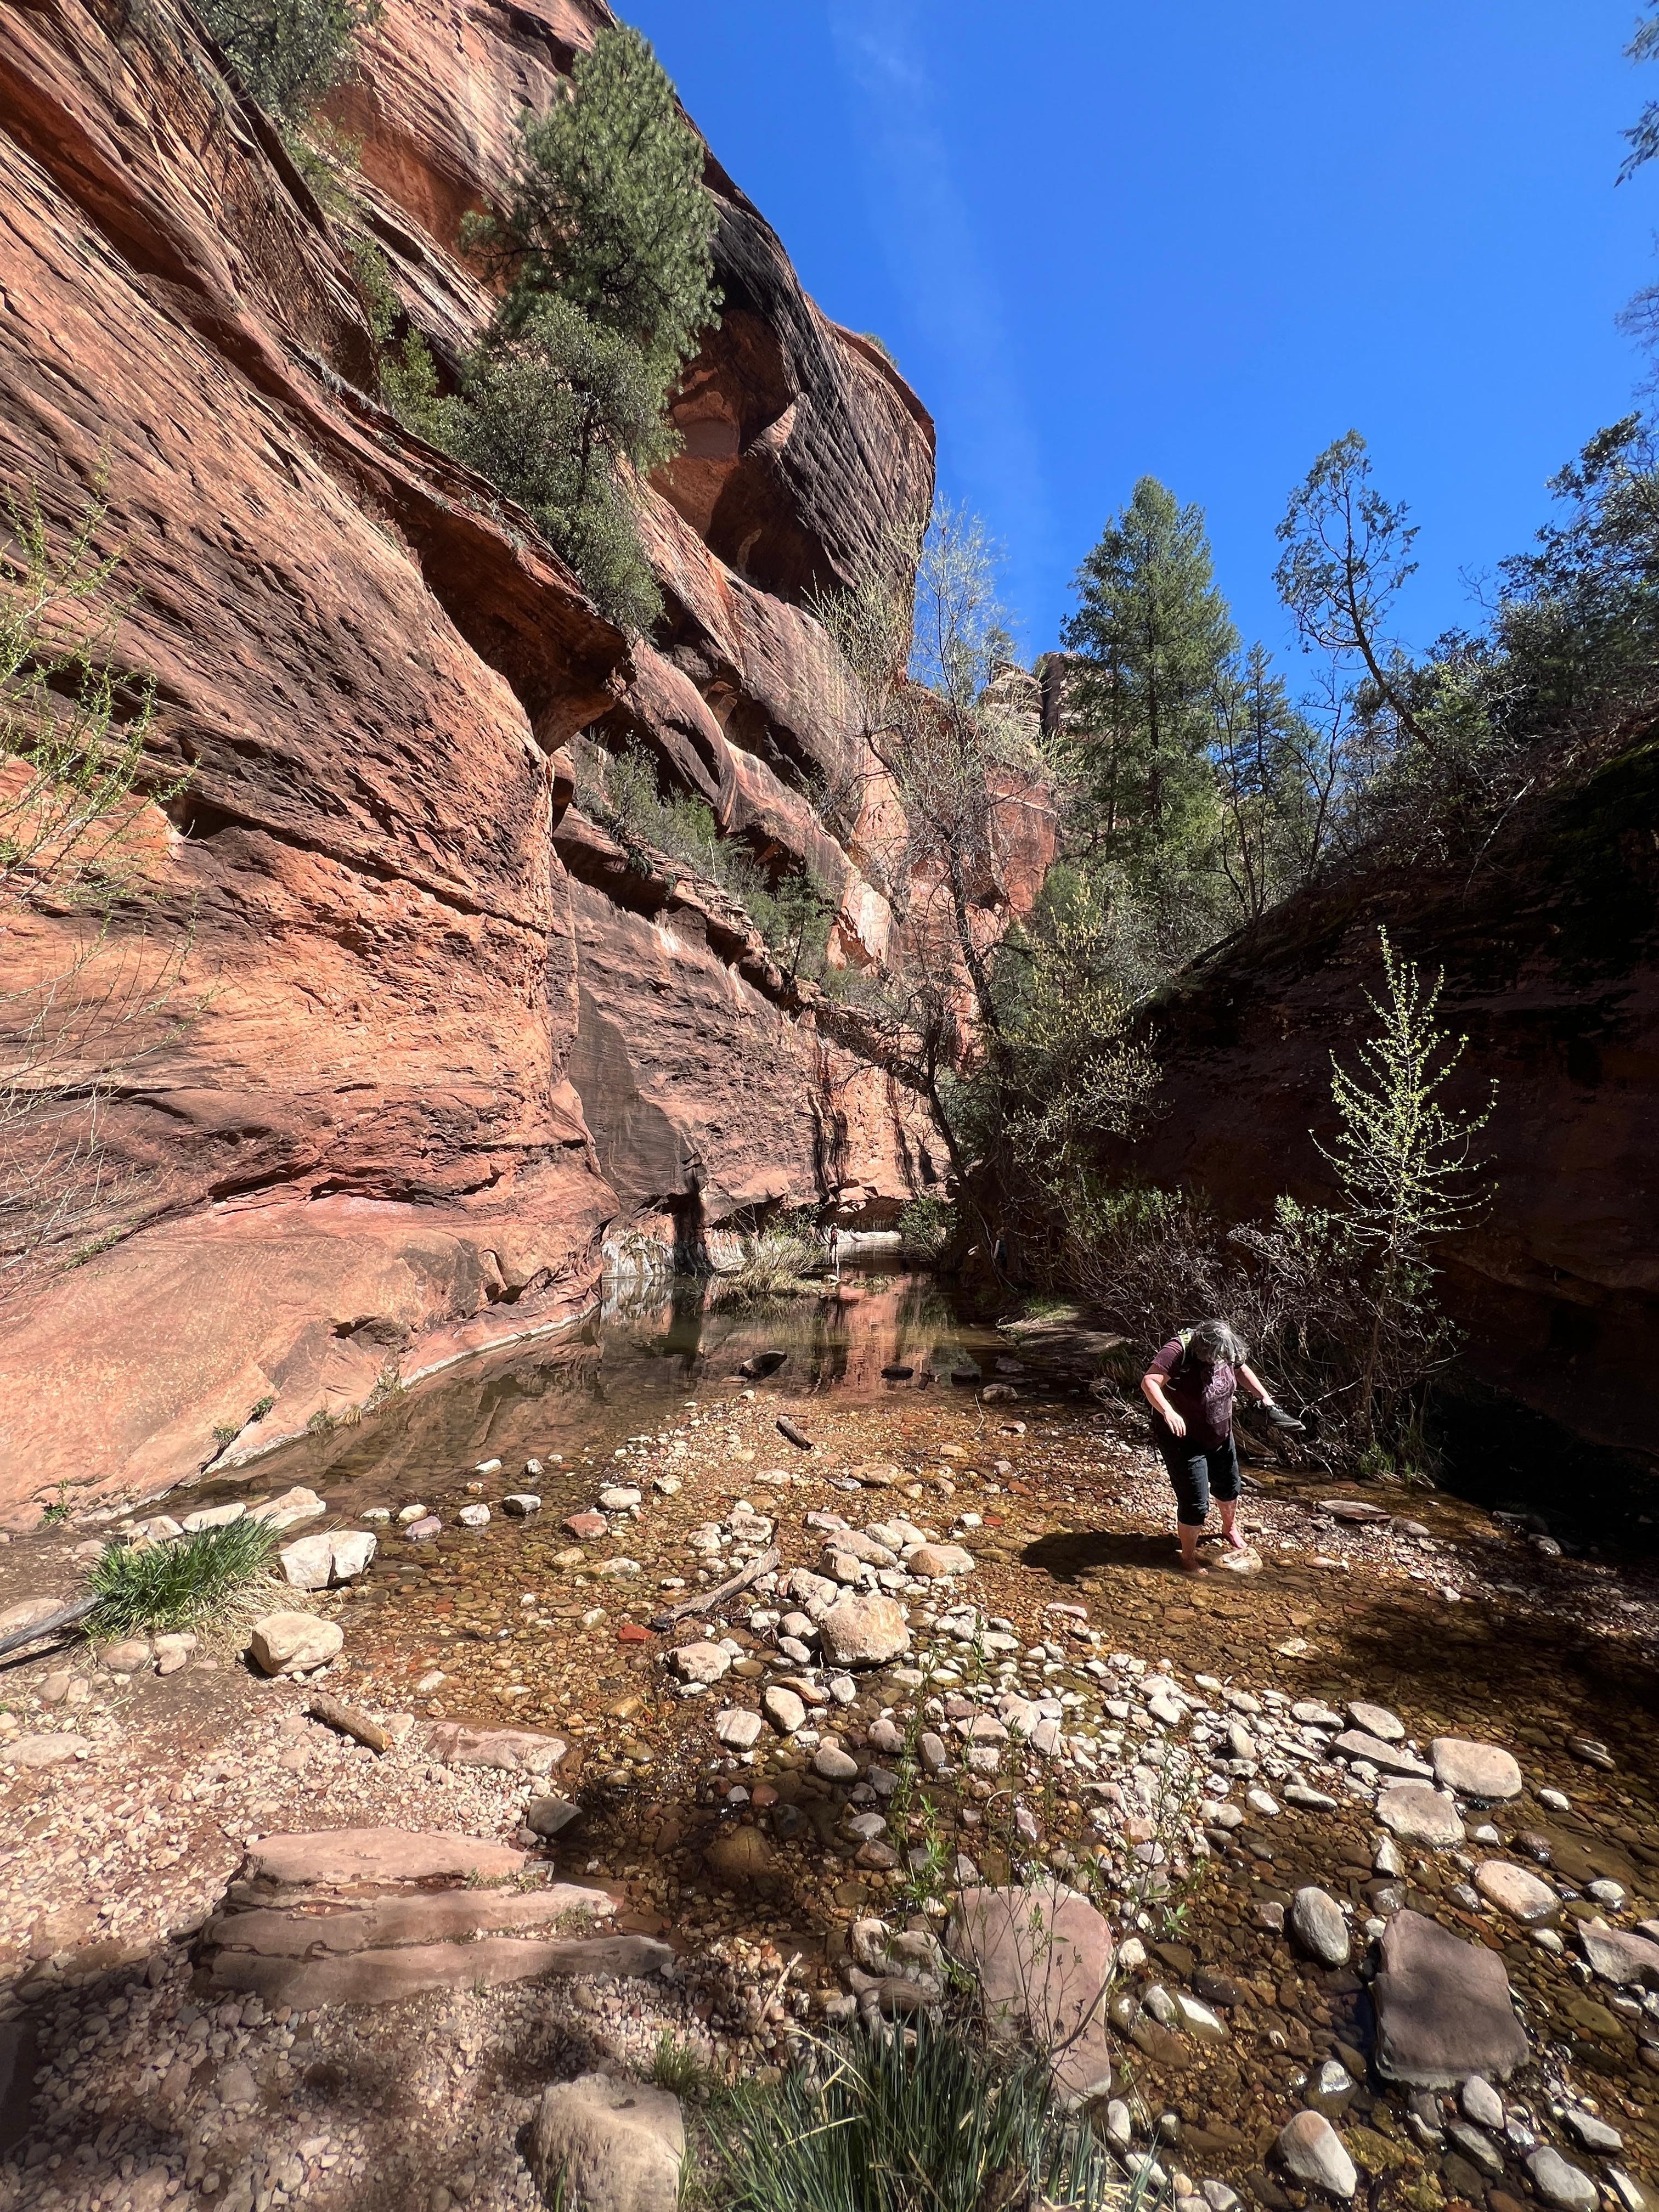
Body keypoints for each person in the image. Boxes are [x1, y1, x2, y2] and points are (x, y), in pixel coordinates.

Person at [1140, 1320, 1302, 1573]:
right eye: (1216, 1358)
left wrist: (1264, 1398)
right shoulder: (1178, 1350)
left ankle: (1229, 1528)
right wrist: (1168, 1411)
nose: (1220, 1361)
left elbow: (1241, 1369)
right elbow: (1150, 1381)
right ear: (1203, 1348)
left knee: (1229, 1487)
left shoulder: (1224, 1349)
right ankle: (1188, 1558)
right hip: (1183, 1440)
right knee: (1195, 1503)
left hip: (1221, 1434)